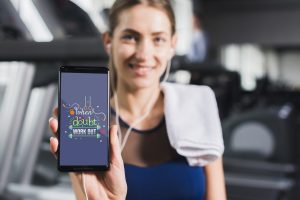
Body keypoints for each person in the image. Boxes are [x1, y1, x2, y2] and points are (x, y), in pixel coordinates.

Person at [49, 0, 226, 199]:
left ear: (172, 45)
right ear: (108, 41)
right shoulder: (87, 123)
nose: (143, 54)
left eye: (158, 39)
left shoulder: (198, 106)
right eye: (130, 37)